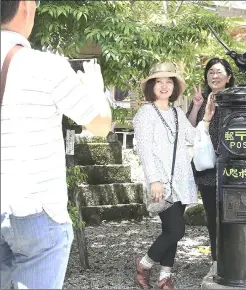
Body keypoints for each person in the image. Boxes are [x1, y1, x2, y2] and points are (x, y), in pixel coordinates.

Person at [1, 1, 112, 289]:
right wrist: (97, 91)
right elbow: (99, 124)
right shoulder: (44, 65)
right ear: (25, 6)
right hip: (36, 210)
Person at [133, 62, 215, 289]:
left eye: (169, 81)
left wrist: (206, 118)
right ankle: (144, 264)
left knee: (171, 231)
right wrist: (154, 180)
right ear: (151, 86)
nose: (164, 86)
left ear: (174, 87)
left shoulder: (178, 113)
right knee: (177, 229)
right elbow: (145, 150)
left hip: (181, 180)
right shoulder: (145, 114)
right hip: (161, 181)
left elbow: (193, 137)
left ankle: (164, 277)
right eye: (159, 81)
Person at [186, 57, 235, 272]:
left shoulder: (236, 98)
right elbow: (189, 130)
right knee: (213, 216)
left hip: (232, 168)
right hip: (207, 168)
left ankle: (235, 257)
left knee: (233, 214)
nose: (214, 76)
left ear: (229, 76)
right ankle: (217, 262)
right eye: (210, 72)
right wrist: (196, 106)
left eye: (218, 72)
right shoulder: (201, 98)